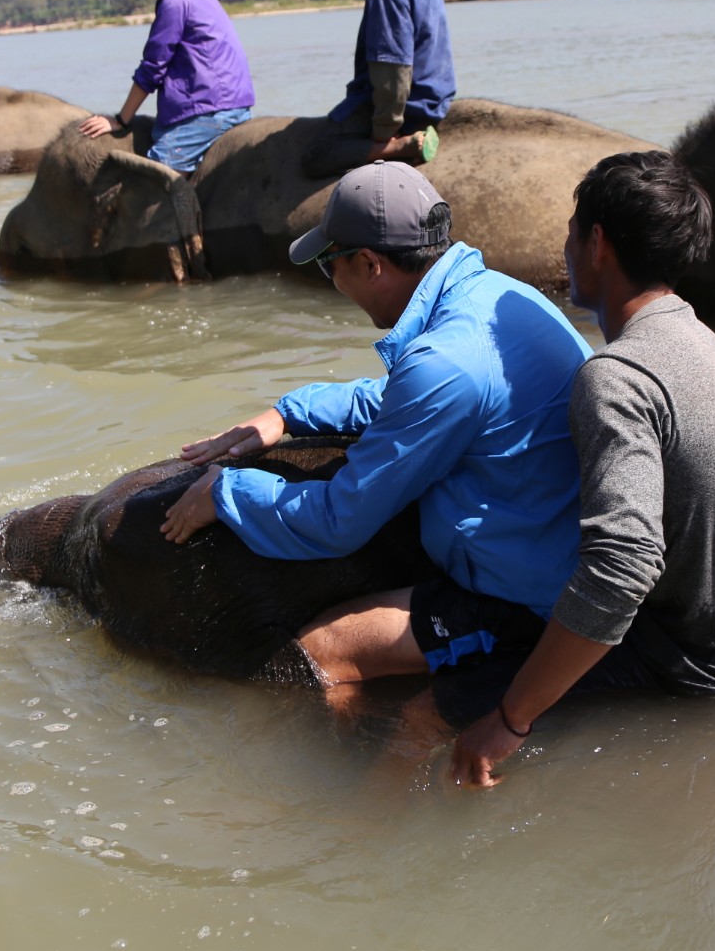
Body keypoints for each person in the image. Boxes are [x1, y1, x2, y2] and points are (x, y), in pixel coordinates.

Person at [157, 161, 591, 696]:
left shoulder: (445, 364)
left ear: (368, 264)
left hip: (535, 598)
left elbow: (340, 520)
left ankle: (379, 767)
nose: (333, 281)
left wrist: (227, 493)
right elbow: (406, 399)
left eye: (328, 265)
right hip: (553, 535)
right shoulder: (495, 296)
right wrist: (290, 413)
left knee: (323, 654)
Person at [451, 150, 715, 788]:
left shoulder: (615, 378)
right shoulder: (707, 343)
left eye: (570, 231)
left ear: (596, 243)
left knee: (442, 697)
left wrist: (509, 720)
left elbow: (621, 568)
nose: (564, 247)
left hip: (701, 662)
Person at [77, 0, 255, 173]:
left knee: (152, 182)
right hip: (232, 105)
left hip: (207, 112)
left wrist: (120, 119)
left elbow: (153, 66)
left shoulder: (175, 0)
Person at [301, 0, 454, 178]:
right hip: (436, 95)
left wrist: (385, 132)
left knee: (317, 155)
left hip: (412, 104)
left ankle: (402, 147)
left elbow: (392, 70)